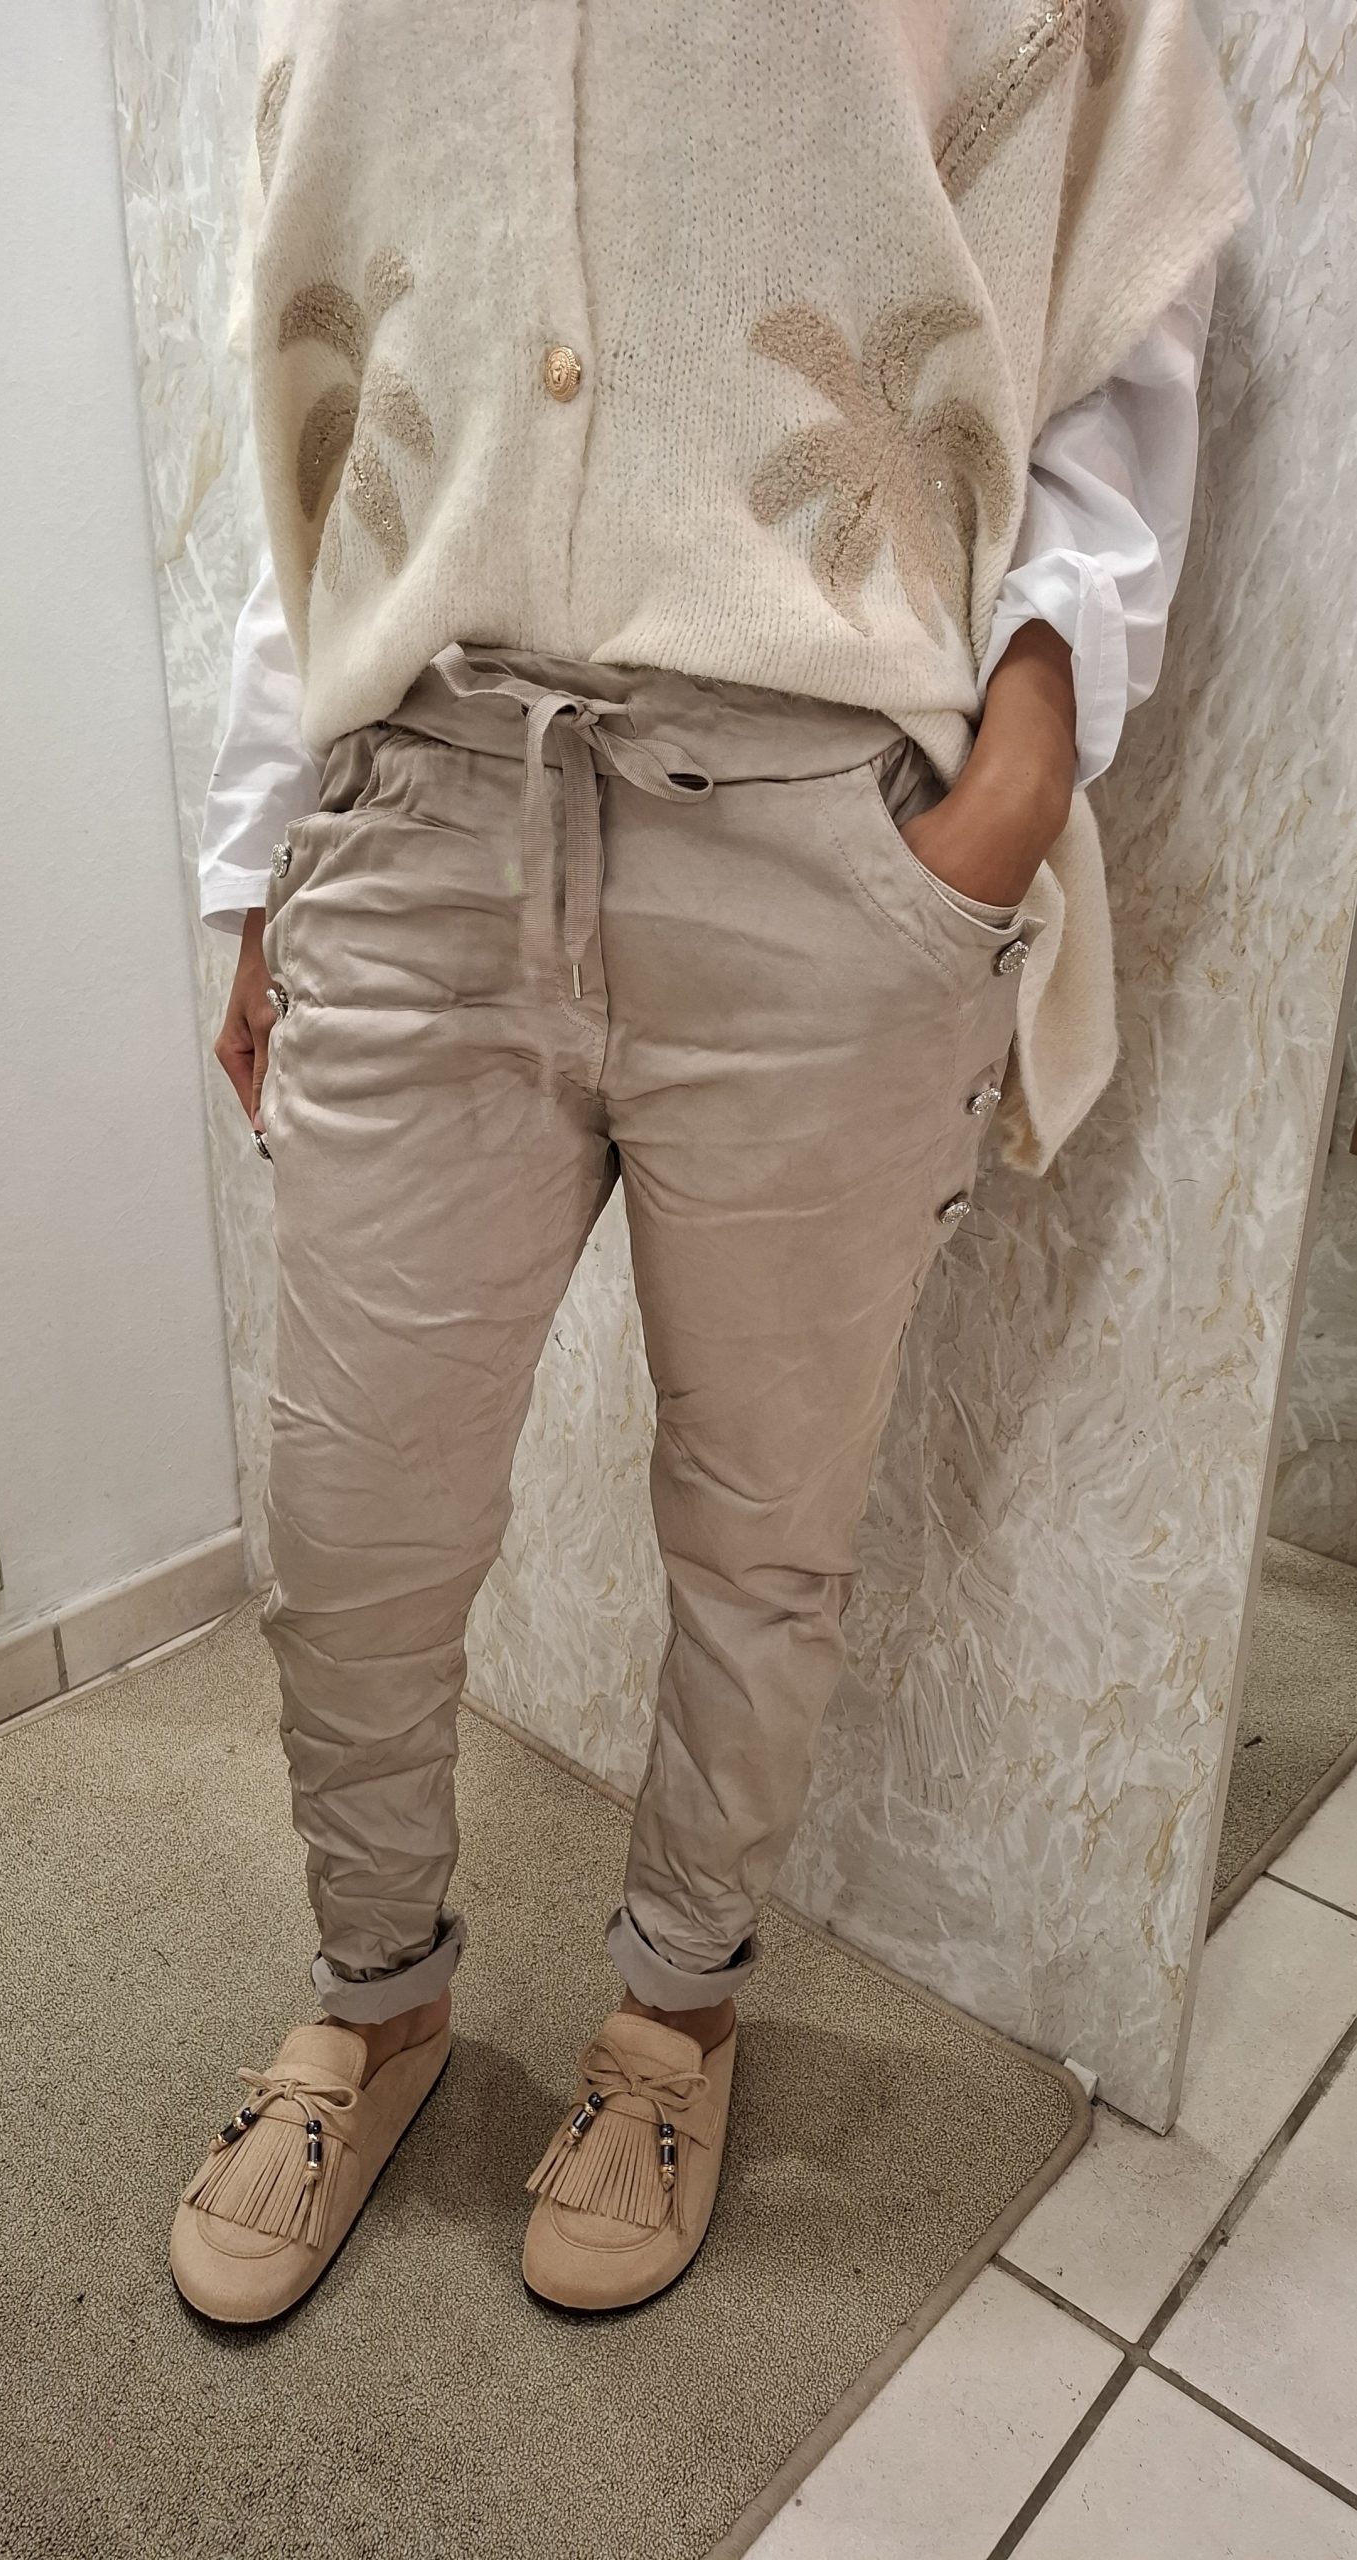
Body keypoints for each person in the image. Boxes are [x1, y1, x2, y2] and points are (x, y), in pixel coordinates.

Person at [170, 0, 1250, 2324]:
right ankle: (376, 1999)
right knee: (350, 1531)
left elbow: (1110, 289)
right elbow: (331, 372)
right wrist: (258, 850)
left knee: (764, 1531)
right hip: (420, 806)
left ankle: (674, 2015)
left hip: (816, 836)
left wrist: (1017, 777)